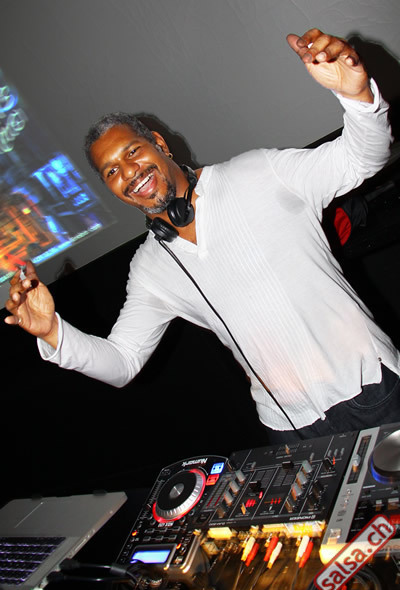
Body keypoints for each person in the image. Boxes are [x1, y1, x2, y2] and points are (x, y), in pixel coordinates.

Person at [5, 29, 400, 444]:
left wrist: (357, 96)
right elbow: (123, 362)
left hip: (370, 387)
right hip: (289, 426)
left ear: (160, 144)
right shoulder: (151, 268)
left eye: (132, 152)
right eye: (112, 171)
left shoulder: (258, 173)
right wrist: (52, 332)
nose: (129, 173)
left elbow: (361, 159)